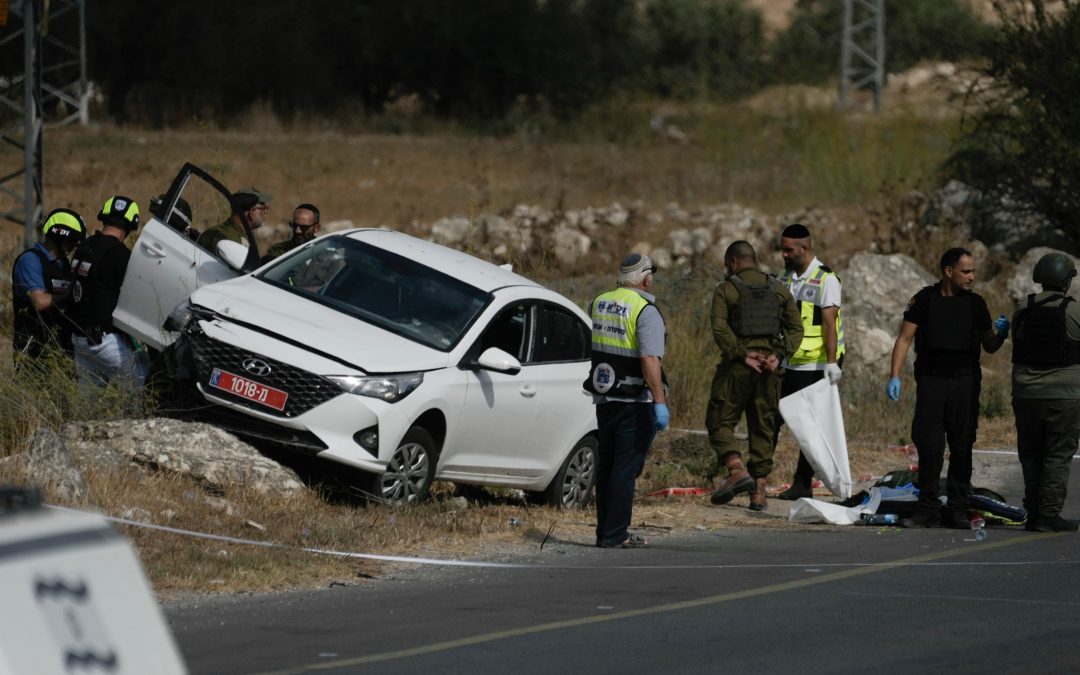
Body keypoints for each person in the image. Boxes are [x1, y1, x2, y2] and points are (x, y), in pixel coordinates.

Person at [887, 247, 1009, 529]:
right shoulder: (924, 299)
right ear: (948, 272)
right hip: (931, 380)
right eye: (966, 271)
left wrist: (1002, 334)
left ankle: (958, 509)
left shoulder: (976, 303)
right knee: (929, 446)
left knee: (962, 445)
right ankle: (927, 510)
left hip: (965, 381)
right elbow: (904, 339)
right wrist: (894, 375)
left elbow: (989, 345)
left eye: (973, 271)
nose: (972, 276)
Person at [707, 241, 803, 511]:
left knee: (719, 419)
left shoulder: (726, 289)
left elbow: (719, 328)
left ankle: (736, 470)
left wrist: (741, 353)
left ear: (733, 262)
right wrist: (778, 354)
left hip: (738, 367)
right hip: (770, 369)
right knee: (763, 426)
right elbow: (796, 328)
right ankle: (759, 491)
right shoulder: (778, 288)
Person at [585, 253, 669, 548]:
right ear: (646, 279)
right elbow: (649, 359)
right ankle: (616, 534)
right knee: (625, 468)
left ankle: (605, 531)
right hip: (635, 400)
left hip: (605, 396)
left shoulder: (598, 302)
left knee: (607, 465)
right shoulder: (645, 310)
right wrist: (659, 401)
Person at [772, 223, 846, 500]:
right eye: (782, 249)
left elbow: (829, 323)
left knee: (810, 426)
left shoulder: (826, 279)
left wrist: (832, 362)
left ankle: (803, 483)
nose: (784, 254)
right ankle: (759, 479)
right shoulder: (784, 278)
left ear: (804, 248)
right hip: (788, 362)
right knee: (772, 419)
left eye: (788, 250)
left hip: (816, 364)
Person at [1010, 253, 1080, 532]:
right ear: (1066, 281)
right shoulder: (1075, 311)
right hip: (1064, 396)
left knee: (1030, 453)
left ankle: (1033, 511)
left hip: (1025, 393)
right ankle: (1048, 515)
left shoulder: (1022, 310)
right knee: (1057, 454)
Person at [68, 196, 148, 393]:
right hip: (104, 342)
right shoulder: (119, 254)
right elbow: (137, 295)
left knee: (88, 401)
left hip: (79, 339)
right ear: (130, 226)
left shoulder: (84, 247)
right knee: (143, 387)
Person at [10, 208, 86, 362]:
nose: (74, 246)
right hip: (33, 351)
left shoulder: (64, 265)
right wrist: (72, 294)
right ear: (60, 235)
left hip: (60, 349)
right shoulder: (30, 260)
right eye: (72, 241)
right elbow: (40, 301)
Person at [196, 187, 271, 253]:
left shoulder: (212, 231)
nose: (266, 212)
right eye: (264, 208)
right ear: (252, 212)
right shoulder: (237, 243)